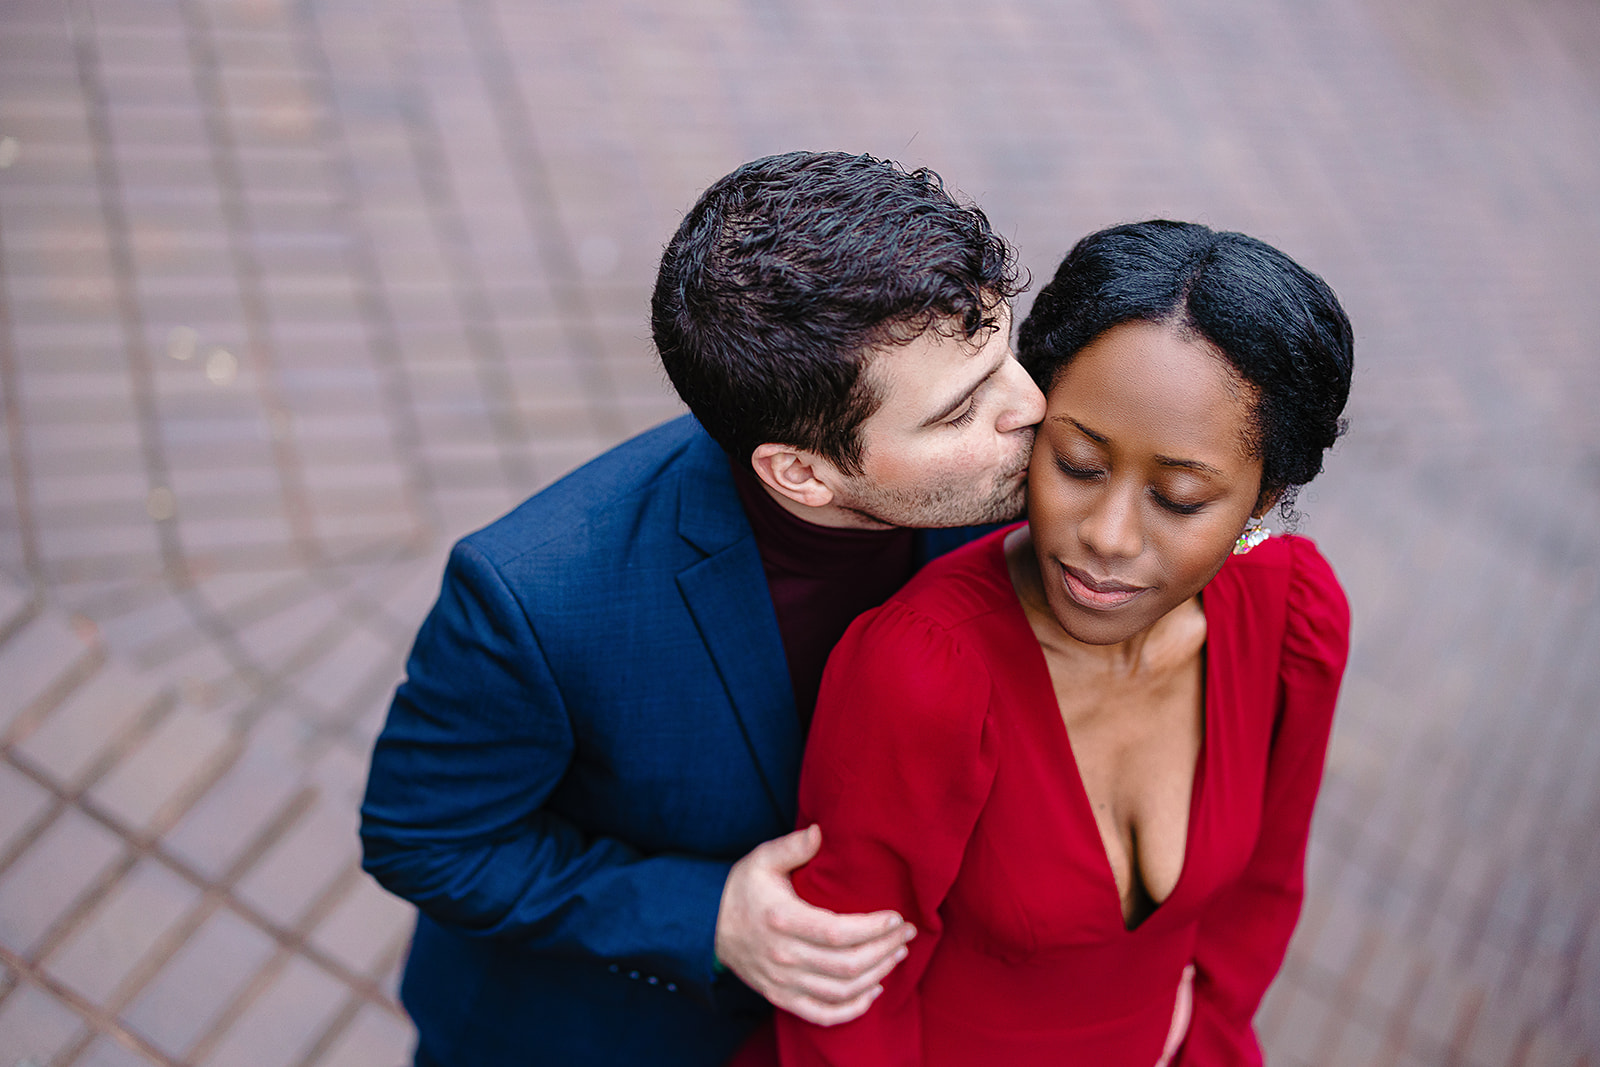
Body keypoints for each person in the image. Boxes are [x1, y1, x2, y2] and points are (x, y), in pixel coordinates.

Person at [358, 150, 1046, 1066]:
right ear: (800, 472)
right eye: (960, 412)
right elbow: (424, 837)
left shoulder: (1006, 490)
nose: (1032, 406)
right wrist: (708, 914)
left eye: (1005, 352)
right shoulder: (536, 596)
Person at [762, 219, 1355, 1065]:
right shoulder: (922, 672)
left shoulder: (1293, 614)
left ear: (1264, 501)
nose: (1107, 537)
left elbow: (1264, 892)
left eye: (1181, 499)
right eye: (1076, 463)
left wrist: (1207, 1038)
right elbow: (845, 1004)